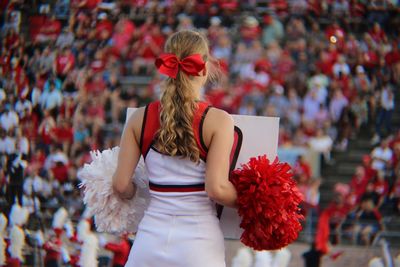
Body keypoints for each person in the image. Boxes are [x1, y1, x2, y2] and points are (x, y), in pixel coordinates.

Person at [112, 30, 237, 267]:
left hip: (149, 239)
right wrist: (255, 200)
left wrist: (135, 193)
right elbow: (217, 189)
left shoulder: (140, 118)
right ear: (204, 68)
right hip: (198, 244)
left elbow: (120, 184)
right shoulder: (219, 120)